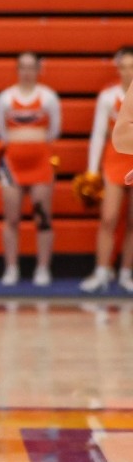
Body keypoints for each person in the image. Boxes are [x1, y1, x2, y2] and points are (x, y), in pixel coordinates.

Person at [0, 52, 60, 287]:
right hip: (12, 163)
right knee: (11, 217)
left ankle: (43, 268)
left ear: (38, 69)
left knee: (42, 217)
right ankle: (11, 268)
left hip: (41, 161)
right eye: (22, 67)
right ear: (17, 69)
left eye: (31, 67)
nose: (27, 71)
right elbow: (1, 131)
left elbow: (55, 130)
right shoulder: (5, 98)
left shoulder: (48, 97)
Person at [81, 47, 133, 293]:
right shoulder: (108, 97)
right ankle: (102, 271)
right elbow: (98, 134)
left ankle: (126, 273)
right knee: (108, 217)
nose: (128, 71)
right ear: (118, 68)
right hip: (114, 160)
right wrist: (92, 171)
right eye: (124, 66)